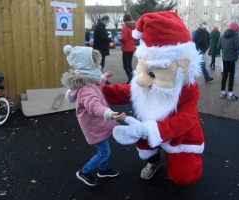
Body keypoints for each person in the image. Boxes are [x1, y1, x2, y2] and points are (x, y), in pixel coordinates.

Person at [102, 11, 205, 185]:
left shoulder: (187, 88)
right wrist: (95, 89)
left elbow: (186, 118)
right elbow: (123, 91)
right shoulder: (145, 83)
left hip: (179, 135)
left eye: (151, 73)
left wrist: (150, 130)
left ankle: (178, 157)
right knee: (144, 138)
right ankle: (154, 161)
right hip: (152, 126)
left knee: (184, 175)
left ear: (182, 66)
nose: (142, 80)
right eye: (143, 69)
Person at [61, 45, 126, 186]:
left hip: (96, 124)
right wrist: (107, 113)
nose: (100, 66)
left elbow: (96, 86)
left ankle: (103, 170)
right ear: (88, 66)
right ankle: (85, 172)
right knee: (104, 152)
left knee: (104, 147)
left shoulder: (89, 81)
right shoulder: (86, 88)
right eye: (97, 63)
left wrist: (102, 78)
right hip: (93, 124)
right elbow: (93, 106)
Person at [217, 22, 239, 101]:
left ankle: (222, 92)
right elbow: (237, 47)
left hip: (225, 58)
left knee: (224, 75)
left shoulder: (222, 35)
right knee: (231, 76)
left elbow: (219, 46)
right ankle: (230, 94)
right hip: (232, 58)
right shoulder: (236, 36)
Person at [93, 15, 113, 84]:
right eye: (108, 21)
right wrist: (110, 39)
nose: (108, 22)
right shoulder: (101, 26)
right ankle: (101, 80)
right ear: (105, 20)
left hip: (98, 48)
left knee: (99, 65)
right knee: (100, 65)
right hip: (101, 49)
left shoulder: (98, 25)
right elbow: (104, 37)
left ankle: (100, 79)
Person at [118, 13, 136, 84]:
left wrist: (119, 38)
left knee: (126, 66)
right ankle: (132, 79)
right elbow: (135, 38)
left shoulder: (125, 27)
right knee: (129, 65)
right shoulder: (134, 26)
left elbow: (124, 39)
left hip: (126, 48)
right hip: (132, 47)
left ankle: (131, 80)